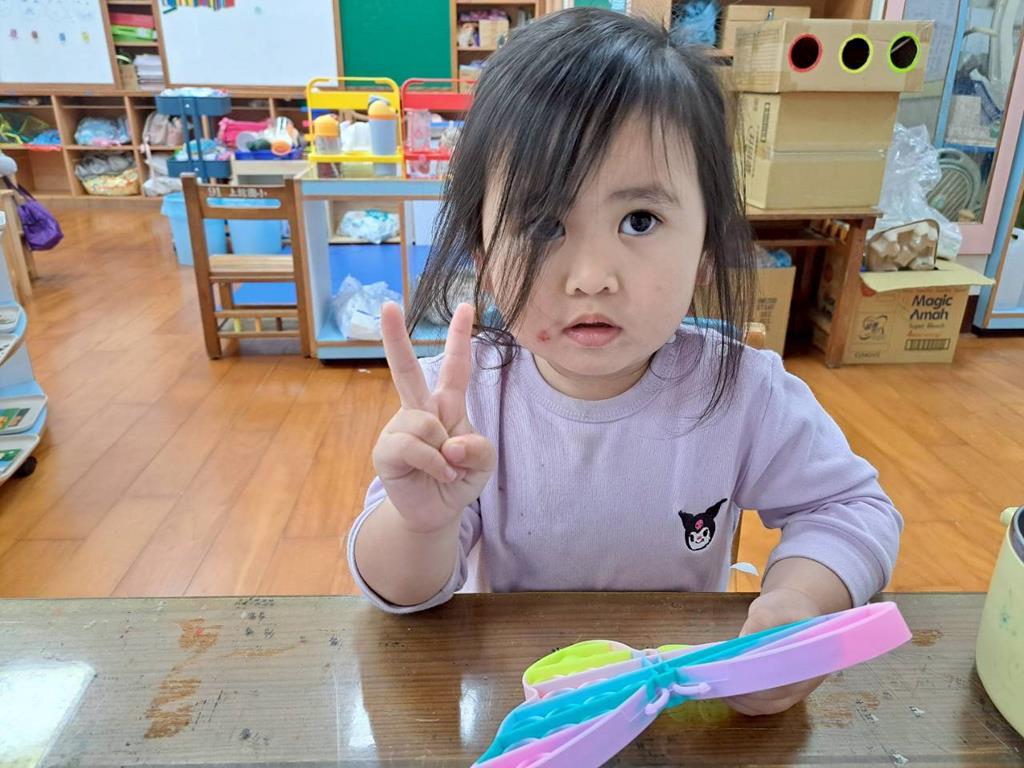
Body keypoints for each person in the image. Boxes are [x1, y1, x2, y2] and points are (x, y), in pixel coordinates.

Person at [349, 7, 901, 716]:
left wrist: (801, 600)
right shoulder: (460, 405)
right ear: (482, 258)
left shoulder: (743, 391)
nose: (591, 278)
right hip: (532, 711)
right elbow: (401, 594)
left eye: (640, 220)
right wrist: (422, 524)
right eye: (543, 223)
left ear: (706, 250)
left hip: (681, 703)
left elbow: (852, 507)